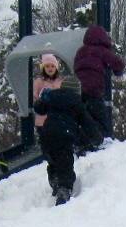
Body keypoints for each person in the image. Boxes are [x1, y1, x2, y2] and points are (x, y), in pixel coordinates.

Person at [34, 75, 99, 205]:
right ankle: (63, 188)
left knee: (52, 160)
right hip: (64, 136)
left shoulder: (52, 97)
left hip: (46, 134)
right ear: (77, 91)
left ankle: (54, 181)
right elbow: (87, 123)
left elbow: (39, 109)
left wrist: (42, 101)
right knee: (65, 164)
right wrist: (96, 138)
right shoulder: (76, 103)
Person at [74, 24, 125, 140]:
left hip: (80, 90)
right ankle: (103, 139)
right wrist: (118, 71)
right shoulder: (101, 51)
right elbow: (118, 63)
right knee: (101, 119)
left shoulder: (81, 51)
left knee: (85, 118)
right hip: (94, 89)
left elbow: (75, 66)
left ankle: (83, 140)